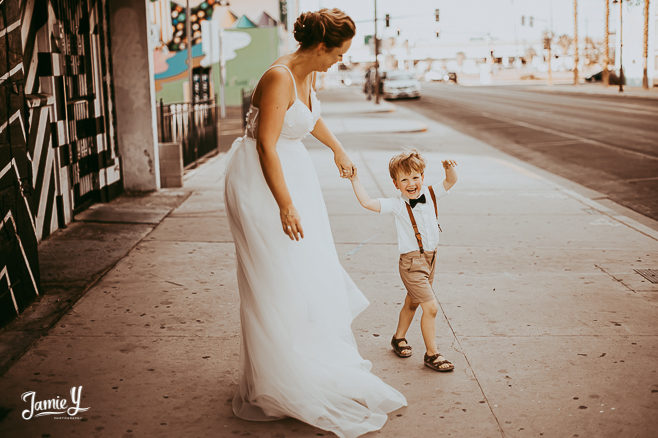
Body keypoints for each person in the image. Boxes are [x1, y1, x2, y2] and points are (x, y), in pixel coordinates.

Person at [223, 8, 407, 438]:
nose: (338, 62)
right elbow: (266, 146)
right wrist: (285, 205)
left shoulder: (308, 74)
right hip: (264, 183)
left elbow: (309, 116)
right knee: (276, 278)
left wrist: (338, 149)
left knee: (304, 275)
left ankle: (301, 364)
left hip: (294, 175)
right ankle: (275, 381)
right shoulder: (278, 76)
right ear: (320, 46)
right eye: (338, 54)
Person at [347, 150, 458, 372]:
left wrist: (449, 168)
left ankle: (398, 338)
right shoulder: (398, 204)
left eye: (415, 177)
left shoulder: (432, 193)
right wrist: (355, 179)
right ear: (396, 184)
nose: (411, 183)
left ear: (422, 177)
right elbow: (367, 202)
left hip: (430, 260)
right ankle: (432, 354)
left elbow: (451, 181)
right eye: (404, 179)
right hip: (411, 264)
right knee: (431, 307)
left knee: (413, 302)